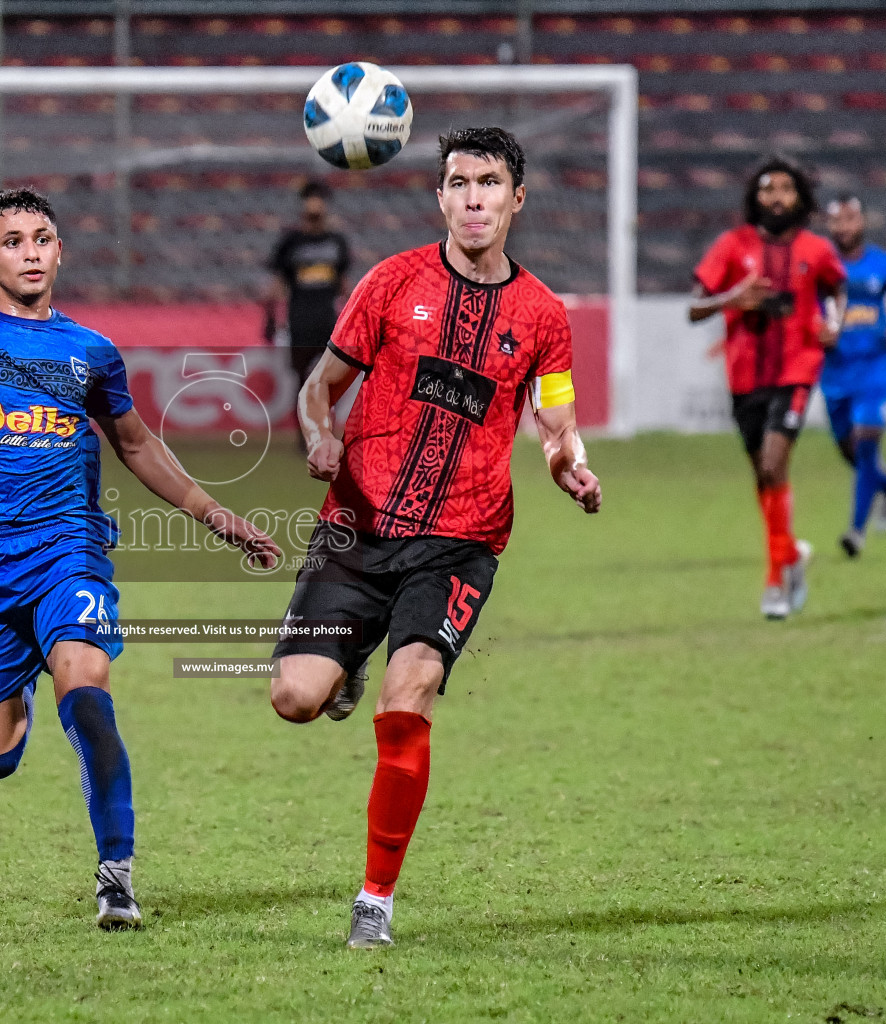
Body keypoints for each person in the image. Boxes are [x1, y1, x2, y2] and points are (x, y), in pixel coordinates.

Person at [0, 187, 280, 931]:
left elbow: (138, 444)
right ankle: (19, 678)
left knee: (86, 684)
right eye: (12, 241)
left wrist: (214, 515)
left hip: (66, 548)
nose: (29, 253)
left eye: (41, 238)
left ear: (60, 251)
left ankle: (116, 876)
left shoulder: (90, 352)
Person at [268, 127, 602, 949]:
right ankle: (341, 661)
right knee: (294, 699)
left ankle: (374, 899)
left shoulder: (543, 316)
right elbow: (323, 385)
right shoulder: (391, 283)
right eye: (459, 183)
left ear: (516, 199)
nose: (474, 198)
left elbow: (555, 420)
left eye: (490, 183)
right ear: (441, 197)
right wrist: (319, 433)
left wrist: (568, 462)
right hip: (360, 522)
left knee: (409, 694)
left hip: (463, 538)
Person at [690, 155, 847, 620]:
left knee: (776, 464)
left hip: (796, 369)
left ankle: (775, 579)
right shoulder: (732, 245)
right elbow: (695, 308)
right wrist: (733, 299)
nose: (776, 197)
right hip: (745, 377)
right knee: (764, 474)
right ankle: (792, 554)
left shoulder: (815, 249)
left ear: (799, 197)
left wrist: (833, 322)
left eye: (785, 188)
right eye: (766, 189)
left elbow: (838, 288)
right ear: (754, 198)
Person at [822, 193, 886, 557]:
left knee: (865, 443)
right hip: (835, 371)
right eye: (837, 221)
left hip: (875, 368)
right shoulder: (820, 266)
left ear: (862, 221)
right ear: (829, 226)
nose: (844, 227)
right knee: (851, 452)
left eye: (850, 219)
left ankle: (855, 532)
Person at [265, 180, 352, 404]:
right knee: (302, 380)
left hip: (327, 322)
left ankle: (326, 430)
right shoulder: (291, 242)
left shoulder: (336, 242)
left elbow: (344, 285)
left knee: (331, 379)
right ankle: (305, 436)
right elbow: (276, 285)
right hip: (300, 321)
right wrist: (270, 318)